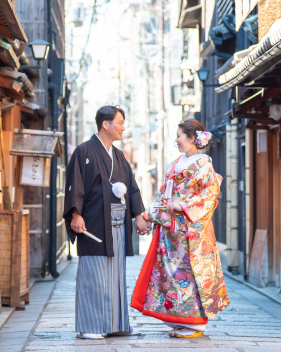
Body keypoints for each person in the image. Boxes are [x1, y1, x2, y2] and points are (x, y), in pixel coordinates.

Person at [130, 118, 230, 338]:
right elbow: (164, 193)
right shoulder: (176, 163)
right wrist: (148, 216)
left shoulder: (204, 164)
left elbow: (210, 195)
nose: (176, 140)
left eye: (178, 136)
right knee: (172, 275)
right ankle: (180, 318)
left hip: (191, 232)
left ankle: (196, 322)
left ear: (192, 138)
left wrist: (183, 205)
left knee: (190, 275)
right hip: (171, 231)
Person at [64, 106, 151, 339]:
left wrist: (139, 215)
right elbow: (75, 185)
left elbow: (131, 187)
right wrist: (75, 214)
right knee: (95, 274)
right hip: (93, 223)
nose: (123, 127)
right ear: (105, 124)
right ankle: (91, 326)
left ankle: (115, 323)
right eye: (120, 122)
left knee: (115, 275)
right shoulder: (84, 151)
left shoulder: (119, 156)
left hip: (117, 224)